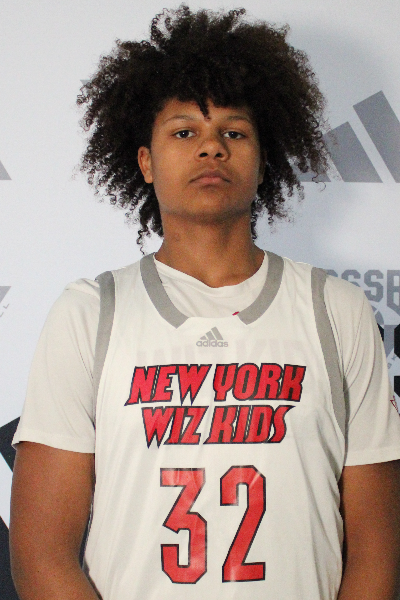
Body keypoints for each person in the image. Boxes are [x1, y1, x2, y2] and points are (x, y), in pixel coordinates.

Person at [9, 6, 400, 600]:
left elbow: (376, 550)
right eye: (185, 132)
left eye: (234, 133)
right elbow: (41, 554)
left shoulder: (335, 310)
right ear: (145, 161)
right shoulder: (90, 313)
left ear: (262, 162)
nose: (212, 147)